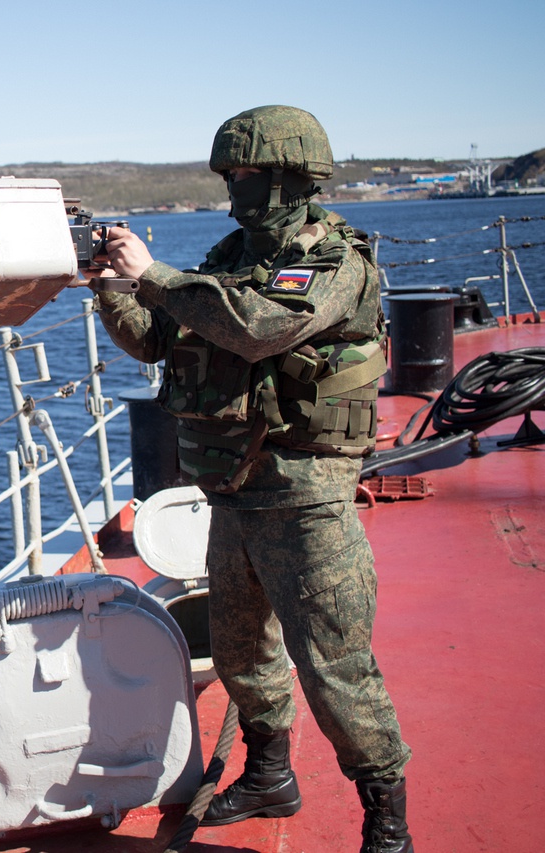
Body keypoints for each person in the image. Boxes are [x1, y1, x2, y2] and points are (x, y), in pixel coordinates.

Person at [90, 105, 414, 853]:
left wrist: (158, 275)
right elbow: (156, 337)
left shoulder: (331, 260)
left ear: (291, 178)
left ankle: (387, 821)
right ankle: (271, 772)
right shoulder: (231, 254)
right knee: (240, 650)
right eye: (229, 175)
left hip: (305, 495)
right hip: (235, 486)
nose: (236, 187)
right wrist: (112, 284)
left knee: (335, 666)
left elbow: (257, 326)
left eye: (247, 175)